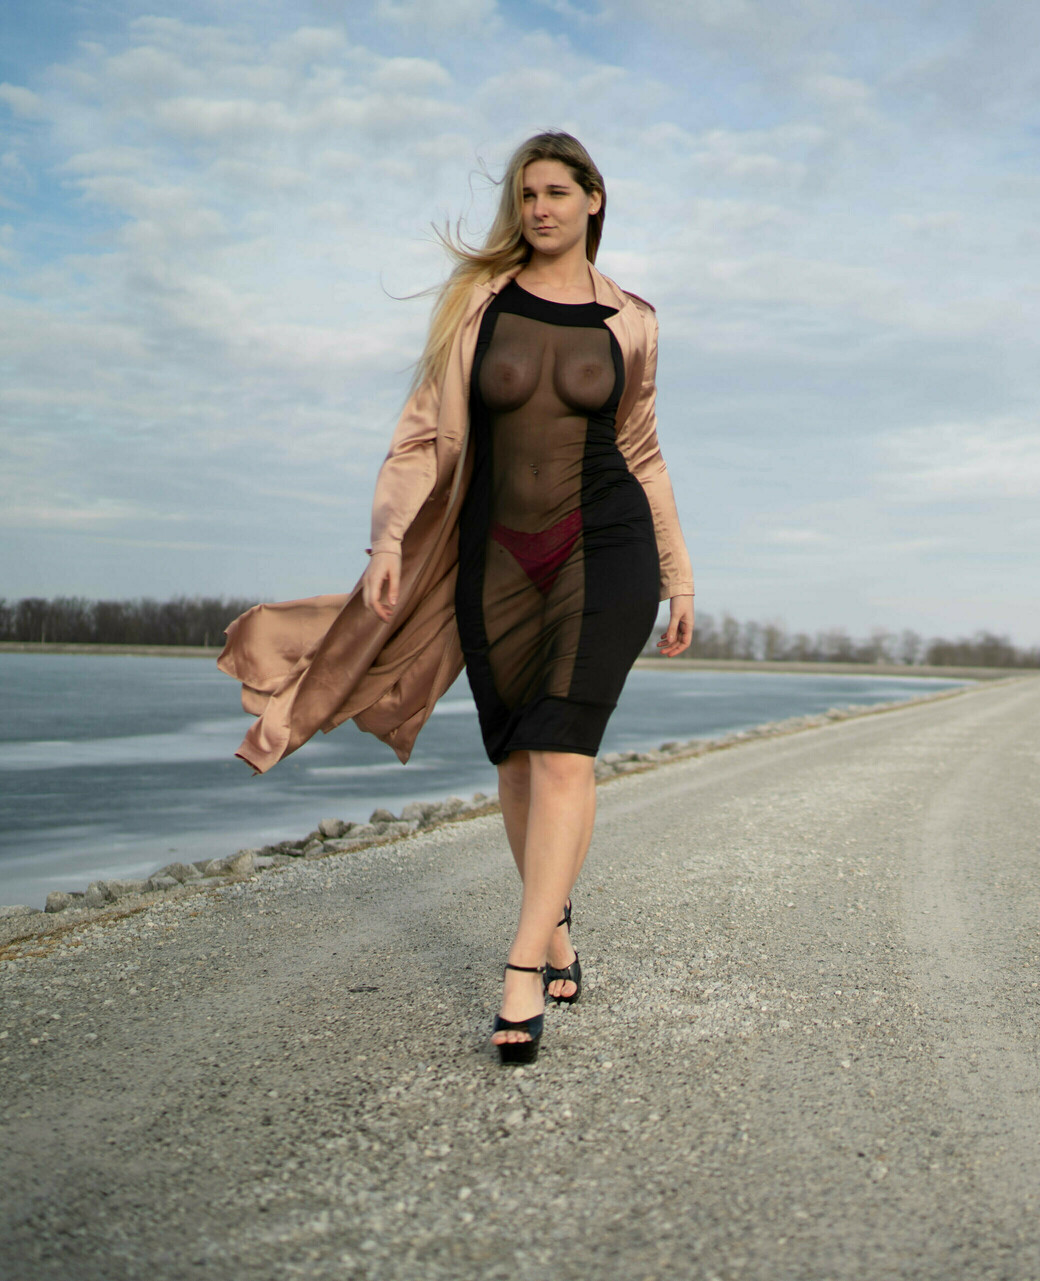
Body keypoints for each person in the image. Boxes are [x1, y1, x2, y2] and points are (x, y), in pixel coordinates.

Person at [218, 132, 695, 1065]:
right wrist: (390, 538)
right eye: (528, 195)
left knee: (564, 748)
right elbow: (421, 435)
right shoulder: (478, 305)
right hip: (495, 555)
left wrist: (678, 576)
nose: (540, 209)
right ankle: (553, 924)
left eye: (557, 192)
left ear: (594, 200)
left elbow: (643, 451)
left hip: (606, 545)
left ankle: (520, 967)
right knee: (517, 755)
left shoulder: (632, 320)